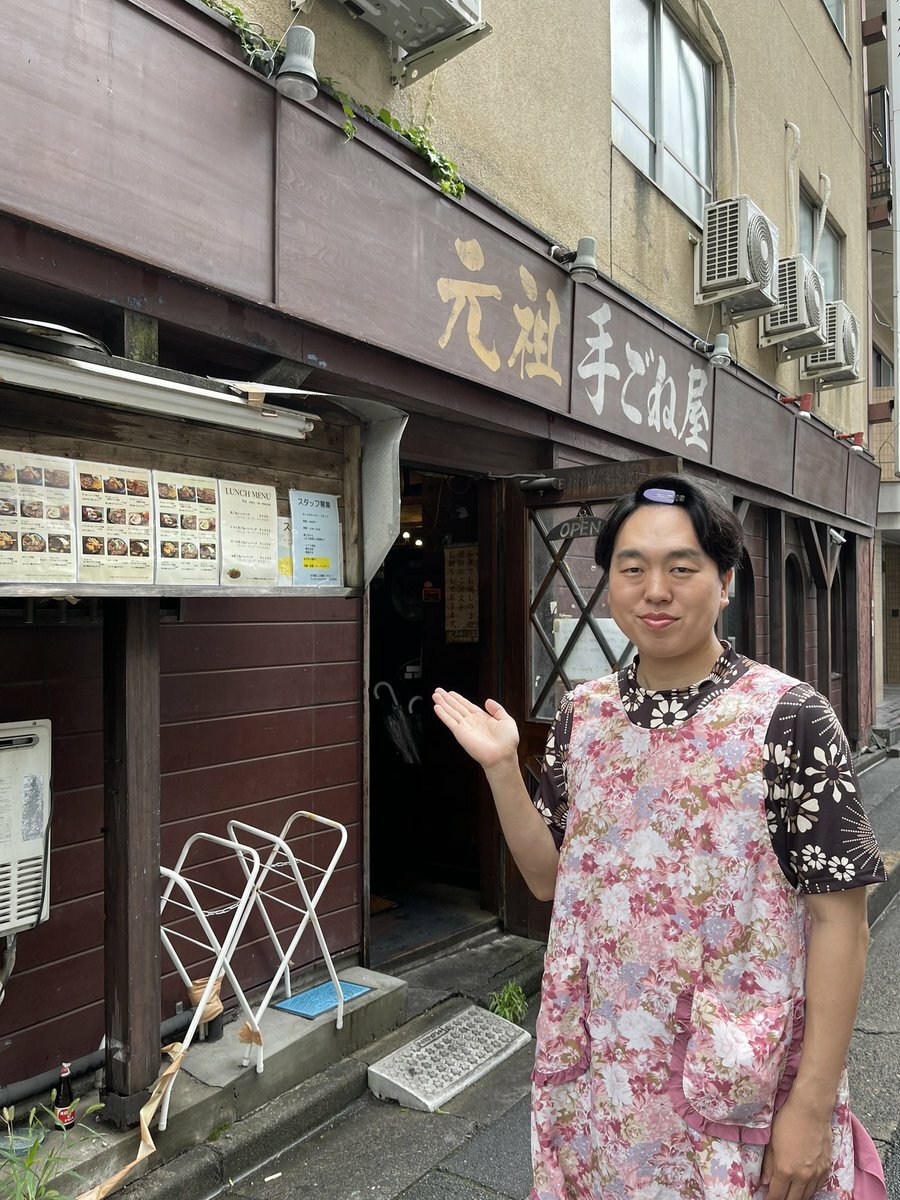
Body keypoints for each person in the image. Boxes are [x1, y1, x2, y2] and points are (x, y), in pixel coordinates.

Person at [433, 475, 887, 1200]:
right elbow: (550, 878)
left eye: (682, 567)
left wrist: (810, 1104)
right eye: (632, 568)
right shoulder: (584, 714)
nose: (655, 591)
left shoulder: (790, 718)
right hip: (605, 1072)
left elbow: (842, 923)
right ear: (608, 583)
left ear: (726, 582)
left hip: (736, 1077)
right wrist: (501, 769)